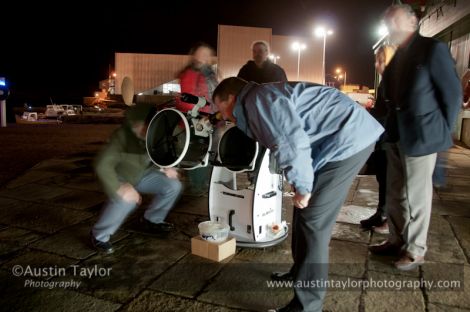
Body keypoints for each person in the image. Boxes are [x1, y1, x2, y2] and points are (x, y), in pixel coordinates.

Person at [212, 77, 383, 312]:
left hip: (348, 141)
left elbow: (289, 142)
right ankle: (299, 274)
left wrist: (303, 186)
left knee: (313, 220)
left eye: (222, 110)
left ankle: (307, 306)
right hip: (336, 141)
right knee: (303, 211)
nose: (224, 117)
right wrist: (300, 180)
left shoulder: (259, 101)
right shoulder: (259, 98)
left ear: (231, 98)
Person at [369, 4, 462, 271]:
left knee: (417, 196)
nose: (389, 28)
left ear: (412, 21)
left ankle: (416, 249)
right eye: (387, 23)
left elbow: (452, 94)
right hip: (396, 132)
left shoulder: (433, 49)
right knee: (395, 192)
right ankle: (396, 240)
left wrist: (443, 130)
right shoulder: (397, 54)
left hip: (423, 134)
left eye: (393, 21)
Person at [90, 104, 182, 254]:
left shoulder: (156, 133)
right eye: (138, 126)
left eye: (146, 125)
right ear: (131, 124)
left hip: (144, 175)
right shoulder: (121, 136)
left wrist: (169, 166)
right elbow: (102, 164)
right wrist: (118, 188)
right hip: (123, 177)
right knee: (126, 200)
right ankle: (99, 236)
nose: (143, 130)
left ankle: (152, 220)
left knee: (173, 185)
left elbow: (169, 151)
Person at [360, 44, 396, 234]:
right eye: (376, 60)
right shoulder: (386, 81)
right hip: (384, 137)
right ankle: (381, 213)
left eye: (380, 60)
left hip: (391, 138)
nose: (376, 64)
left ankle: (388, 219)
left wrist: (367, 116)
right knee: (382, 177)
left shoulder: (393, 81)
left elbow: (387, 113)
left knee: (389, 179)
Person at [176, 42, 219, 196]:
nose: (204, 57)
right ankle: (197, 187)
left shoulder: (210, 73)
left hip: (211, 119)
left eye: (207, 54)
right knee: (198, 154)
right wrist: (200, 117)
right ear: (195, 56)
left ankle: (202, 184)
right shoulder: (191, 73)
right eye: (201, 54)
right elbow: (187, 100)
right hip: (197, 121)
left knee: (208, 153)